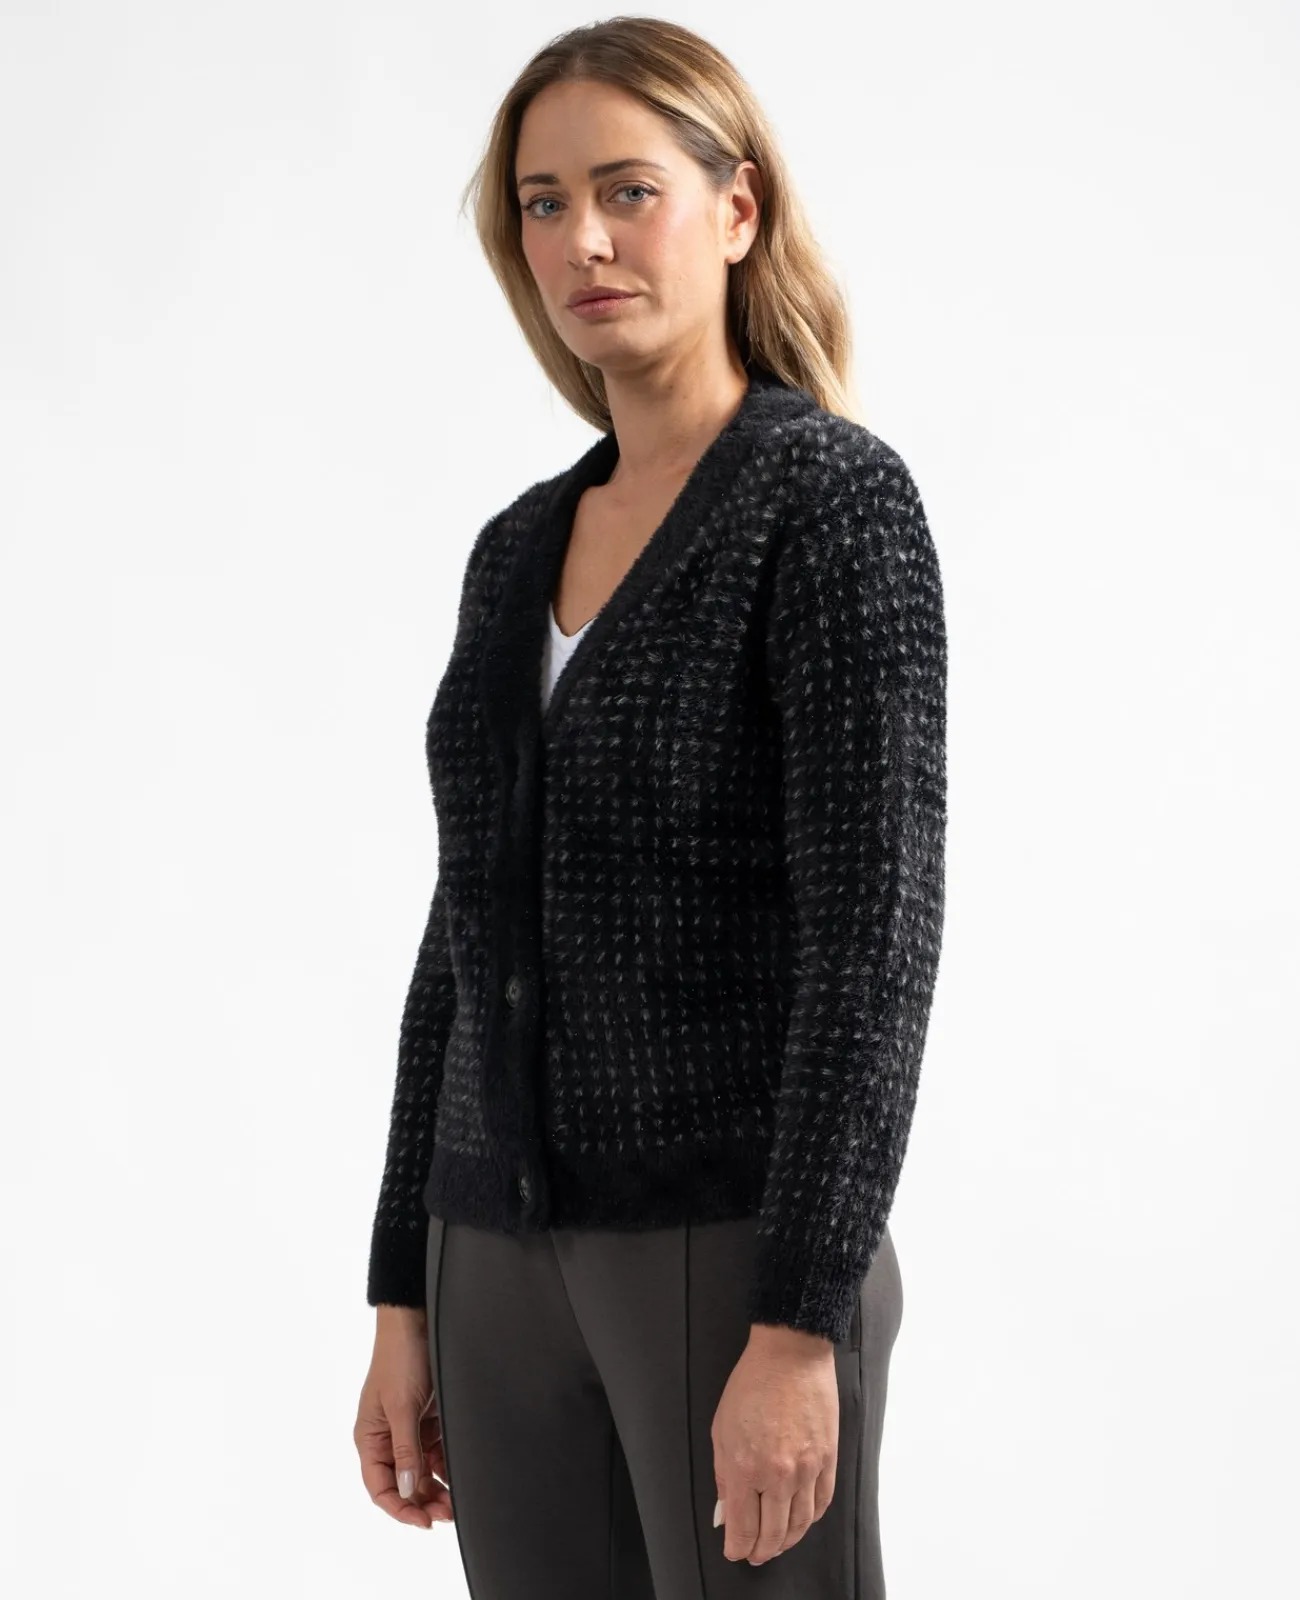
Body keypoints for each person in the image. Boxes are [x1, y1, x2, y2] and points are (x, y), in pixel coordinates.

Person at [353, 17, 947, 1599]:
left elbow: (875, 944)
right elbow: (463, 936)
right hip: (491, 1259)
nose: (584, 241)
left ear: (736, 209)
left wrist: (799, 1317)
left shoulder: (827, 504)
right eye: (543, 204)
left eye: (628, 190)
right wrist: (403, 1286)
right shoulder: (513, 550)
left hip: (728, 1244)